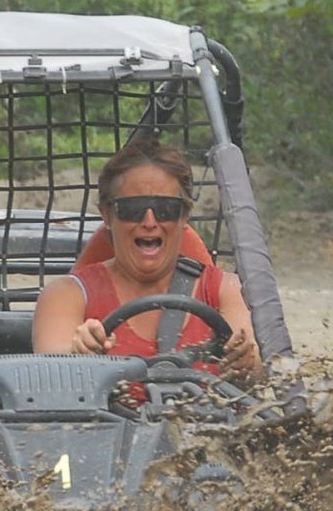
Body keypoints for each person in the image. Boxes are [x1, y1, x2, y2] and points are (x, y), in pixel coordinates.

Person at [31, 137, 261, 378]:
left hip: (208, 414)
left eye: (165, 210)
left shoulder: (226, 290)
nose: (150, 222)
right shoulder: (67, 295)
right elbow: (51, 372)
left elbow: (260, 369)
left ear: (184, 216)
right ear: (107, 215)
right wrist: (76, 355)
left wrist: (246, 363)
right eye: (133, 210)